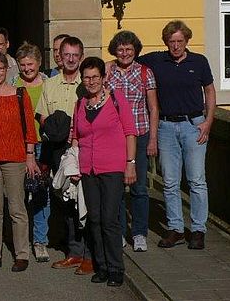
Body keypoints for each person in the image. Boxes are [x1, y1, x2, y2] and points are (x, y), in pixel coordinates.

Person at [138, 20, 216, 250]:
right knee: (170, 182)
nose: (176, 46)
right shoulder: (157, 61)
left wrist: (208, 121)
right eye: (171, 41)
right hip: (166, 127)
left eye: (180, 41)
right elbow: (128, 60)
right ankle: (176, 229)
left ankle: (198, 229)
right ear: (166, 42)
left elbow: (209, 91)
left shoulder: (199, 62)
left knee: (196, 181)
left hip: (194, 125)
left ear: (187, 41)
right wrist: (109, 65)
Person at [71, 56, 137, 287]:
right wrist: (73, 164)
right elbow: (76, 136)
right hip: (88, 170)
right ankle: (101, 266)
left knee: (110, 220)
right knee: (95, 219)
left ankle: (116, 268)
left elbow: (130, 132)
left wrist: (131, 163)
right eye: (86, 77)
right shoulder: (80, 104)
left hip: (112, 168)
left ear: (103, 77)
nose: (90, 82)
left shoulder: (117, 100)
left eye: (95, 77)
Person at [0, 53, 39, 273]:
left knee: (17, 208)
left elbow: (30, 128)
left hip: (15, 159)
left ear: (6, 69)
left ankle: (21, 254)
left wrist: (30, 156)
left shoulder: (21, 95)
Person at [36, 36, 92, 275]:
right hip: (60, 151)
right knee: (67, 204)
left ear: (81, 56)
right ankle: (74, 253)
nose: (70, 59)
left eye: (75, 55)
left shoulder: (88, 83)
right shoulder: (50, 84)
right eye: (66, 54)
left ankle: (90, 255)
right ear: (59, 56)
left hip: (86, 150)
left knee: (87, 202)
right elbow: (42, 116)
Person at [104, 31, 159, 252]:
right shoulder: (108, 72)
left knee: (139, 188)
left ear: (135, 50)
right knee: (116, 187)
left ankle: (139, 233)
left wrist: (153, 138)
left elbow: (153, 107)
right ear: (114, 51)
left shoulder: (145, 73)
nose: (125, 53)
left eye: (129, 49)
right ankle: (118, 232)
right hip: (115, 136)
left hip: (140, 134)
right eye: (120, 49)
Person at [13, 42, 50, 263]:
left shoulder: (48, 83)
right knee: (18, 195)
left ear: (39, 63)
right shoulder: (12, 84)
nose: (27, 68)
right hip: (19, 146)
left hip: (42, 144)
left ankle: (40, 240)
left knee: (40, 194)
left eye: (31, 64)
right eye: (23, 65)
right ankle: (20, 240)